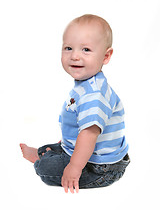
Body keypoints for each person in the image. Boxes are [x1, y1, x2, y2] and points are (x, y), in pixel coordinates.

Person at [20, 14, 130, 193]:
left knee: (46, 170)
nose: (74, 56)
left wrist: (74, 168)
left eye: (86, 50)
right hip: (92, 154)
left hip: (101, 167)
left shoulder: (94, 96)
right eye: (68, 48)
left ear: (106, 56)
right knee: (55, 147)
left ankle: (44, 160)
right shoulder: (88, 84)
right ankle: (49, 153)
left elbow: (88, 135)